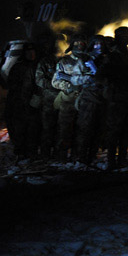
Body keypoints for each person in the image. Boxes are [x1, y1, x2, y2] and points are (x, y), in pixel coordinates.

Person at [101, 26, 128, 169]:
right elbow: (101, 77)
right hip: (116, 98)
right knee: (114, 130)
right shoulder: (111, 57)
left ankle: (122, 158)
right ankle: (111, 159)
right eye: (121, 38)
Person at [51, 34, 92, 162]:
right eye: (76, 44)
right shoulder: (64, 62)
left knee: (82, 130)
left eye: (82, 44)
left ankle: (78, 156)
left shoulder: (89, 61)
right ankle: (61, 157)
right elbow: (55, 81)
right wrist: (68, 86)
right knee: (64, 129)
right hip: (68, 100)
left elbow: (92, 79)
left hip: (84, 100)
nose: (79, 46)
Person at [72, 35, 110, 166]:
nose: (99, 47)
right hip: (88, 98)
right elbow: (75, 78)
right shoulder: (84, 60)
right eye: (96, 44)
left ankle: (92, 155)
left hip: (103, 98)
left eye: (101, 44)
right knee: (85, 128)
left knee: (99, 129)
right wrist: (88, 78)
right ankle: (81, 157)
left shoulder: (107, 60)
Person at [3, 40, 37, 160]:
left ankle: (30, 152)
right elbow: (13, 86)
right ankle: (20, 152)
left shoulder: (37, 66)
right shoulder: (18, 67)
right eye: (28, 51)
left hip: (33, 103)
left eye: (33, 51)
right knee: (19, 128)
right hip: (19, 103)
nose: (31, 54)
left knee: (32, 129)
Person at [33, 32, 60, 160]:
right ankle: (45, 155)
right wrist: (54, 85)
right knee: (47, 129)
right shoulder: (45, 62)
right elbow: (39, 79)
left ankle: (58, 154)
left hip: (62, 101)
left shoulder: (63, 61)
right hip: (48, 101)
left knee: (60, 129)